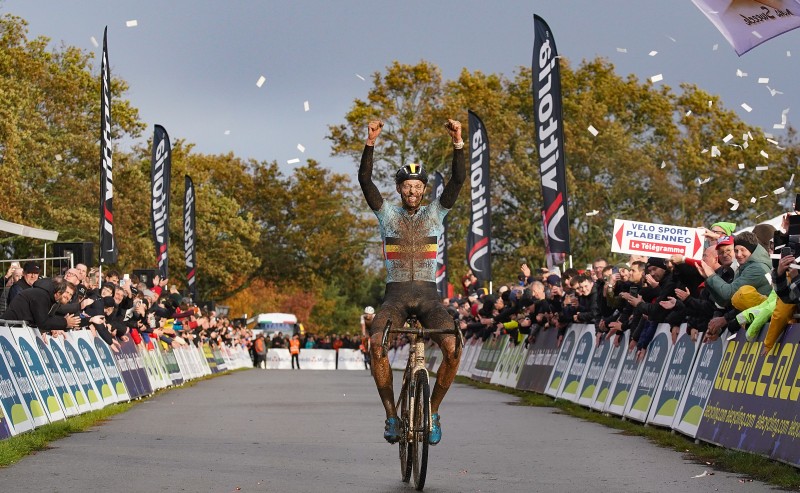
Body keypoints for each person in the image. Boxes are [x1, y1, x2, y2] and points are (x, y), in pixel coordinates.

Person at [359, 118, 465, 445]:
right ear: (399, 189)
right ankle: (392, 416)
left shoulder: (436, 213)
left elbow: (459, 179)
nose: (413, 191)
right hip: (395, 298)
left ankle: (432, 411)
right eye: (407, 186)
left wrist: (458, 141)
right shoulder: (386, 214)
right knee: (377, 346)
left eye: (418, 186)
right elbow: (365, 180)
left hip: (429, 298)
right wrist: (370, 141)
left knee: (453, 348)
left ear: (425, 191)